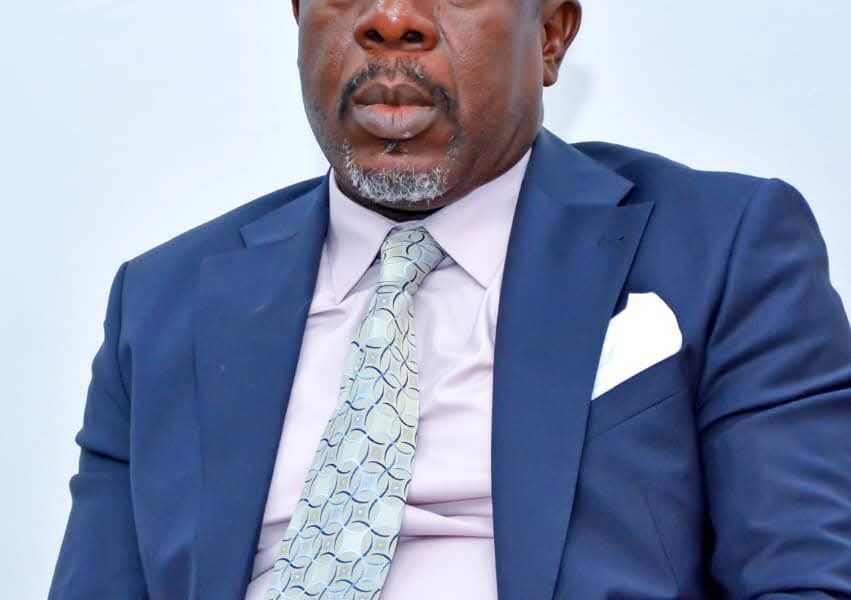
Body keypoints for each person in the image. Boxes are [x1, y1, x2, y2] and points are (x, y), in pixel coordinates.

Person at [50, 0, 851, 598]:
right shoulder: (164, 301)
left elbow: (808, 574)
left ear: (551, 35)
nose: (391, 19)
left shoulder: (719, 245)